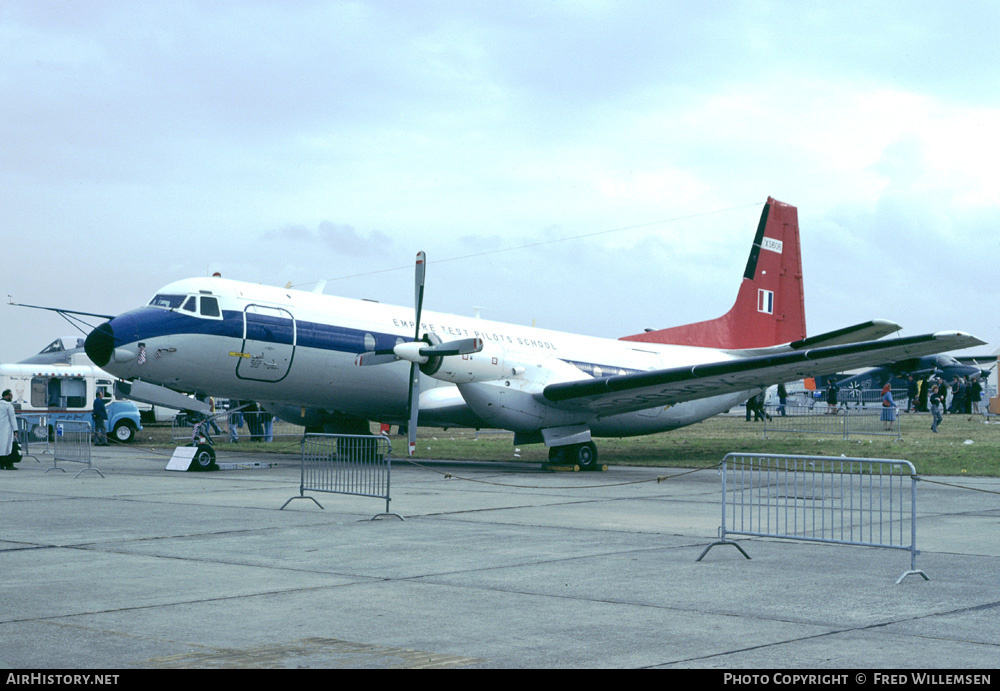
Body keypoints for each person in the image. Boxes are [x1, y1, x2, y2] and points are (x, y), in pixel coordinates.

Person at [1, 389, 18, 470]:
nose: (11, 397)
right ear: (6, 396)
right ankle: (8, 465)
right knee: (8, 447)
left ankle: (1, 464)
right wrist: (16, 430)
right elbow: (12, 418)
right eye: (10, 395)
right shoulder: (9, 405)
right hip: (6, 429)